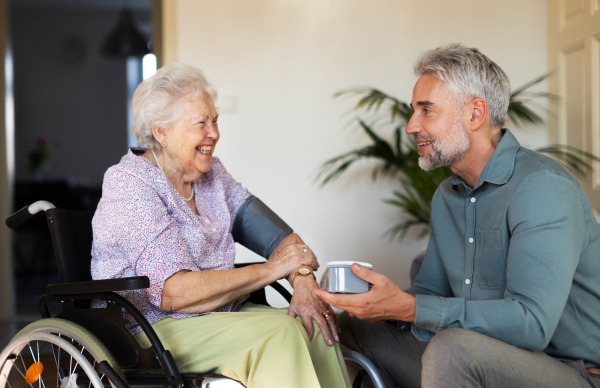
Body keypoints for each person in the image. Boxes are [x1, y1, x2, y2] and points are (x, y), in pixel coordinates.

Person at [314, 43, 600, 388]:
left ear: (475, 114)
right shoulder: (447, 196)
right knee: (349, 327)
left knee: (454, 349)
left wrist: (409, 309)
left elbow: (533, 324)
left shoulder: (542, 187)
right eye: (413, 111)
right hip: (486, 353)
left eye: (426, 111)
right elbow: (429, 290)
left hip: (573, 371)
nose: (410, 126)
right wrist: (380, 303)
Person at [91, 62, 351, 388]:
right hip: (151, 327)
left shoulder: (213, 175)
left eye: (215, 121)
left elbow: (282, 240)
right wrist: (272, 270)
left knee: (313, 322)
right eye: (201, 123)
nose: (214, 133)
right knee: (282, 333)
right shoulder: (130, 182)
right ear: (161, 132)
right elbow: (172, 293)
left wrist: (301, 280)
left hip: (218, 317)